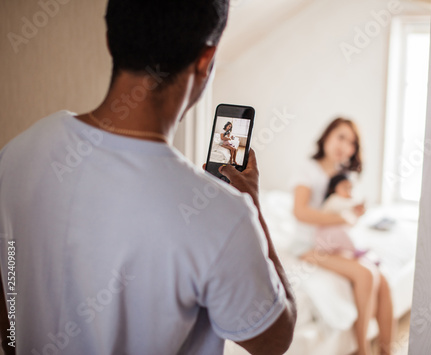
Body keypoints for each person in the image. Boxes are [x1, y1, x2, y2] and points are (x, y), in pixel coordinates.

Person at [0, 1, 296, 354]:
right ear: (205, 60)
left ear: (111, 40)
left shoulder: (16, 154)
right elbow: (275, 339)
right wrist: (255, 210)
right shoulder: (223, 215)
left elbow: (8, 320)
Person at [292, 118, 394, 355]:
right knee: (367, 274)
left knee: (385, 281)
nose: (345, 145)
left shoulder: (344, 176)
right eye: (341, 136)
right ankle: (363, 350)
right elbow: (300, 212)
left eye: (352, 142)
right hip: (309, 246)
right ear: (327, 136)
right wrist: (343, 218)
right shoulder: (308, 169)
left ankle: (387, 351)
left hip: (336, 246)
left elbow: (345, 216)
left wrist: (354, 214)